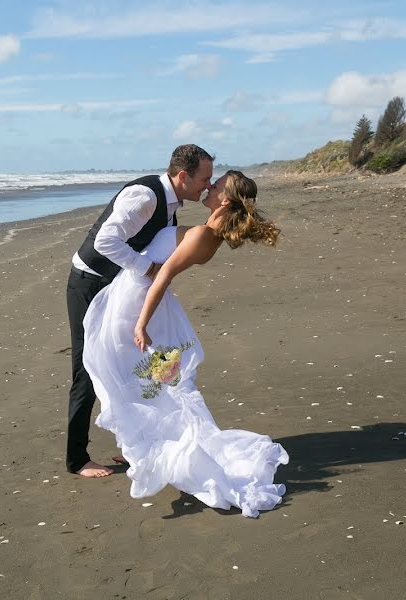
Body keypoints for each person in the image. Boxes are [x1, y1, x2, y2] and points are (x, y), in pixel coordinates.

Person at [83, 170, 289, 517]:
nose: (209, 185)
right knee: (154, 381)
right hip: (150, 307)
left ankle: (158, 450)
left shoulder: (203, 235)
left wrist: (141, 322)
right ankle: (144, 447)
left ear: (225, 199)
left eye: (217, 184)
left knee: (142, 378)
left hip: (138, 307)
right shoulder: (207, 234)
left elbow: (162, 275)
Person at [66, 144, 215, 478]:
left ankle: (139, 443)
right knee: (88, 368)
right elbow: (105, 241)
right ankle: (76, 459)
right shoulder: (145, 197)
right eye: (204, 178)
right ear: (182, 176)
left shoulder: (171, 205)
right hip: (89, 284)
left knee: (141, 364)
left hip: (121, 290)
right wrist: (146, 268)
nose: (208, 184)